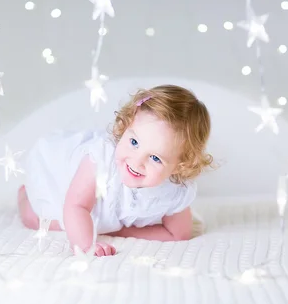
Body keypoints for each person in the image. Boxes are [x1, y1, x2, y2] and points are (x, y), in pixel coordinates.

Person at [18, 84, 213, 256]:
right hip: (67, 187)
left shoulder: (175, 190)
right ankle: (24, 195)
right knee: (41, 220)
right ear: (125, 126)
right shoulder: (101, 160)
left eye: (155, 158)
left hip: (102, 215)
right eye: (134, 142)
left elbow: (178, 234)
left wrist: (116, 231)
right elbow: (75, 206)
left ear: (180, 166)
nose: (136, 162)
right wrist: (86, 246)